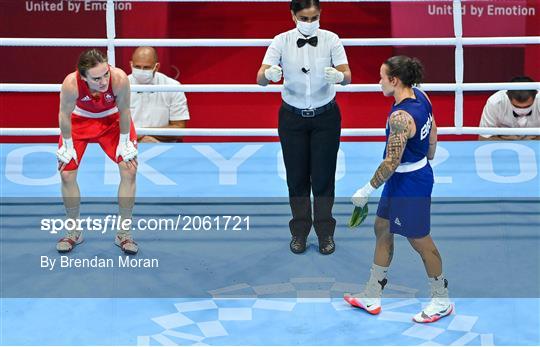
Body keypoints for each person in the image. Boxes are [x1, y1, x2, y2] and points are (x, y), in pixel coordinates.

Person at [344, 56, 453, 323]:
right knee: (382, 227)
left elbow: (391, 161)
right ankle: (372, 293)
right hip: (406, 177)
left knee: (420, 242)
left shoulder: (400, 117)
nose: (378, 82)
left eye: (382, 77)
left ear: (394, 80)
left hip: (410, 184)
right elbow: (434, 129)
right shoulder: (421, 95)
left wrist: (366, 189)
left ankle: (441, 300)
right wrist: (428, 155)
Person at [256, 0, 351, 255]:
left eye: (314, 17)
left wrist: (340, 77)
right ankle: (299, 232)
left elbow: (348, 75)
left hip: (326, 117)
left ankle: (325, 234)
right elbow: (260, 78)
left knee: (323, 177)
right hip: (292, 119)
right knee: (296, 178)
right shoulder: (281, 40)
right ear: (293, 16)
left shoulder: (331, 39)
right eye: (304, 18)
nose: (309, 23)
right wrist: (270, 75)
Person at [56, 49, 139, 255]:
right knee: (66, 173)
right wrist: (67, 144)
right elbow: (64, 115)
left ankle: (124, 234)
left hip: (113, 122)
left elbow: (125, 110)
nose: (103, 81)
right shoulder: (71, 83)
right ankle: (74, 231)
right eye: (96, 78)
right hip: (79, 122)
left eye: (105, 75)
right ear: (83, 76)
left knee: (129, 170)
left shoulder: (119, 78)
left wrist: (124, 141)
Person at [128, 46, 190, 143]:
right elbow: (111, 127)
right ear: (131, 65)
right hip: (127, 146)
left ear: (156, 67)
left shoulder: (173, 86)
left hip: (164, 146)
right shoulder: (120, 86)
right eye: (137, 67)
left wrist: (144, 133)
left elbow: (179, 129)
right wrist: (137, 137)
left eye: (146, 67)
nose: (141, 70)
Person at [479, 76, 540, 140]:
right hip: (503, 147)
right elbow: (483, 138)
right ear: (507, 95)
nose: (522, 111)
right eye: (516, 106)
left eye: (527, 106)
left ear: (536, 94)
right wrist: (510, 143)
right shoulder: (495, 102)